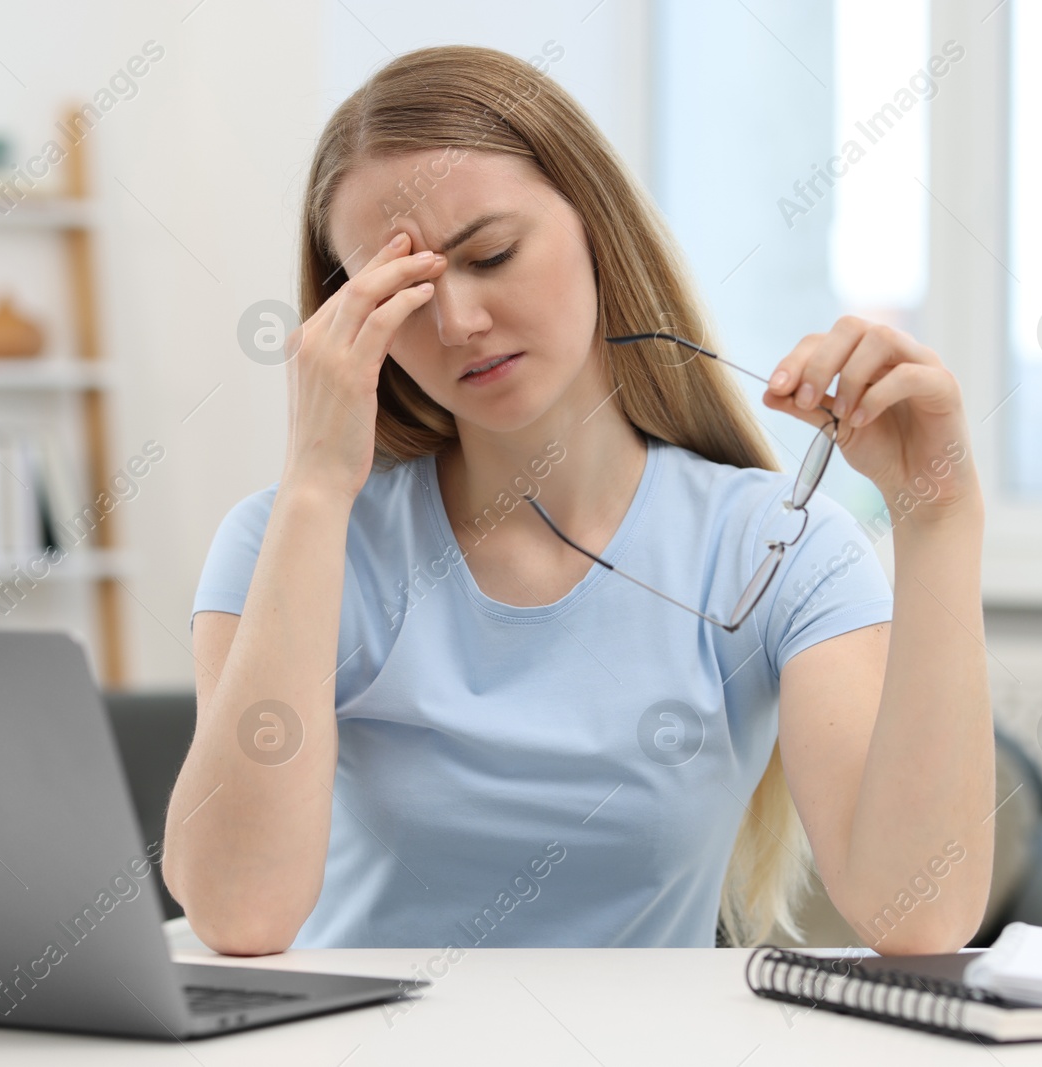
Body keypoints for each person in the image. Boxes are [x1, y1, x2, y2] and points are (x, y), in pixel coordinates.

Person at [164, 45, 994, 956]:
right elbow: (238, 914)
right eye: (400, 295)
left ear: (596, 223)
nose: (458, 323)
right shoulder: (285, 541)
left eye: (493, 254)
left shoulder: (777, 547)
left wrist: (938, 522)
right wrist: (316, 489)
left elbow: (919, 915)